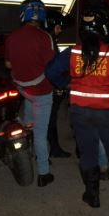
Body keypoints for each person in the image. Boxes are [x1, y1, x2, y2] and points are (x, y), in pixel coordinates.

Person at [45, 5, 109, 208]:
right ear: (104, 28)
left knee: (88, 153)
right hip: (107, 113)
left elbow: (50, 72)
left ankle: (92, 195)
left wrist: (65, 85)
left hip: (79, 113)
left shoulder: (72, 52)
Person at [5, 0, 55, 187]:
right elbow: (50, 65)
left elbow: (8, 64)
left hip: (23, 89)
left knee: (28, 122)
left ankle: (24, 150)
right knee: (41, 134)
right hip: (41, 91)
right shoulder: (45, 37)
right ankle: (43, 173)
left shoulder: (12, 36)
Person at [45, 9, 71, 158]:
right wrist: (62, 83)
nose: (60, 30)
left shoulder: (48, 39)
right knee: (50, 118)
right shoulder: (48, 40)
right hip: (49, 87)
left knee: (49, 117)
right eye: (58, 27)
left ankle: (53, 147)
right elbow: (51, 66)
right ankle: (53, 149)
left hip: (47, 85)